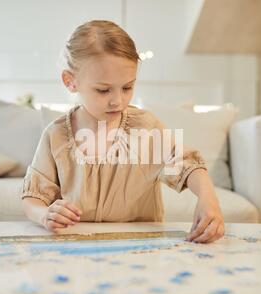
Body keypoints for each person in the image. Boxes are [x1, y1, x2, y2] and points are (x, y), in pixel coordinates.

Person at [21, 20, 224, 243]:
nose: (118, 100)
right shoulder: (56, 135)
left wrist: (208, 197)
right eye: (103, 90)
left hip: (141, 248)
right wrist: (44, 215)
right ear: (70, 82)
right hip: (76, 250)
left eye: (127, 87)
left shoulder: (145, 127)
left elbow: (188, 166)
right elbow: (33, 197)